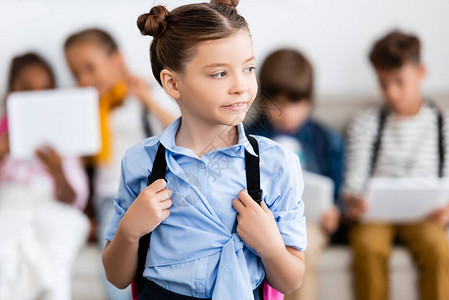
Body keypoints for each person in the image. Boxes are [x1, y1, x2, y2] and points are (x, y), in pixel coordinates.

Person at [102, 1, 307, 300]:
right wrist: (129, 231)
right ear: (172, 83)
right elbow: (117, 277)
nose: (241, 86)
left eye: (248, 68)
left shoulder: (277, 165)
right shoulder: (141, 163)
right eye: (219, 73)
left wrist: (271, 247)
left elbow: (289, 281)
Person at [64, 28, 177, 300]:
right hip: (110, 200)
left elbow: (182, 132)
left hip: (151, 194)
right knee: (114, 264)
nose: (84, 79)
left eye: (90, 68)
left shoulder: (145, 95)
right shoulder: (86, 111)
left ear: (117, 61)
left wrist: (146, 99)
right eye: (76, 73)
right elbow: (82, 170)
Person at [343, 30, 449, 300]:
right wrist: (354, 201)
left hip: (425, 217)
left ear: (420, 72)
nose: (391, 92)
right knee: (368, 245)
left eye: (399, 81)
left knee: (438, 247)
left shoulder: (442, 124)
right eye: (383, 83)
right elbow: (354, 180)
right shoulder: (365, 123)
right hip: (376, 216)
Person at [245, 48, 344, 300]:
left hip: (309, 222)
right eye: (279, 105)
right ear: (264, 100)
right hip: (266, 220)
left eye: (296, 104)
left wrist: (337, 213)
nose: (287, 114)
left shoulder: (325, 138)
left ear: (309, 101)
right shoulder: (248, 136)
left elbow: (340, 188)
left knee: (303, 245)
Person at [0, 52, 89, 300]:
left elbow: (73, 200)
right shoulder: (2, 136)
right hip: (10, 208)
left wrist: (57, 170)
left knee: (56, 245)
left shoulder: (66, 142)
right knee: (5, 249)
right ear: (12, 92)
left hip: (53, 208)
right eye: (27, 90)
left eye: (44, 89)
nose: (36, 97)